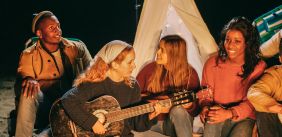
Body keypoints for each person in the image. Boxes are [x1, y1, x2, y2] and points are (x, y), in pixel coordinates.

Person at [60, 40, 168, 137]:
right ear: (115, 64)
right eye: (130, 62)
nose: (134, 66)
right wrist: (92, 122)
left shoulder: (133, 86)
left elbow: (135, 124)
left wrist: (151, 115)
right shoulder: (95, 83)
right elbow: (68, 100)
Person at [15, 11, 92, 137]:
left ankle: (49, 130)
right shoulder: (29, 55)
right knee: (28, 90)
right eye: (52, 28)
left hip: (71, 104)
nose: (58, 31)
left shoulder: (76, 48)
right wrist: (29, 79)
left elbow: (92, 71)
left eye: (58, 26)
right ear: (39, 34)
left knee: (57, 126)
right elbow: (24, 73)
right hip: (45, 106)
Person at [198, 16, 266, 137]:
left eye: (237, 41)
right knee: (211, 121)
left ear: (247, 44)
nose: (229, 45)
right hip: (217, 111)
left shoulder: (258, 67)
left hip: (244, 118)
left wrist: (229, 113)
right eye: (227, 39)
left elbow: (254, 102)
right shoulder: (212, 63)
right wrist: (205, 107)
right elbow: (205, 93)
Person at [136, 35, 200, 137]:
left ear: (173, 54)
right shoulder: (149, 69)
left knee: (178, 110)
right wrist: (155, 104)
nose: (157, 52)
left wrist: (190, 106)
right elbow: (135, 97)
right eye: (158, 48)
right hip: (151, 122)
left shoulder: (190, 75)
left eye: (162, 50)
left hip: (174, 123)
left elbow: (196, 111)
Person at [248, 37, 282, 137]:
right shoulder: (274, 76)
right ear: (280, 58)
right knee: (264, 112)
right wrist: (278, 108)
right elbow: (254, 92)